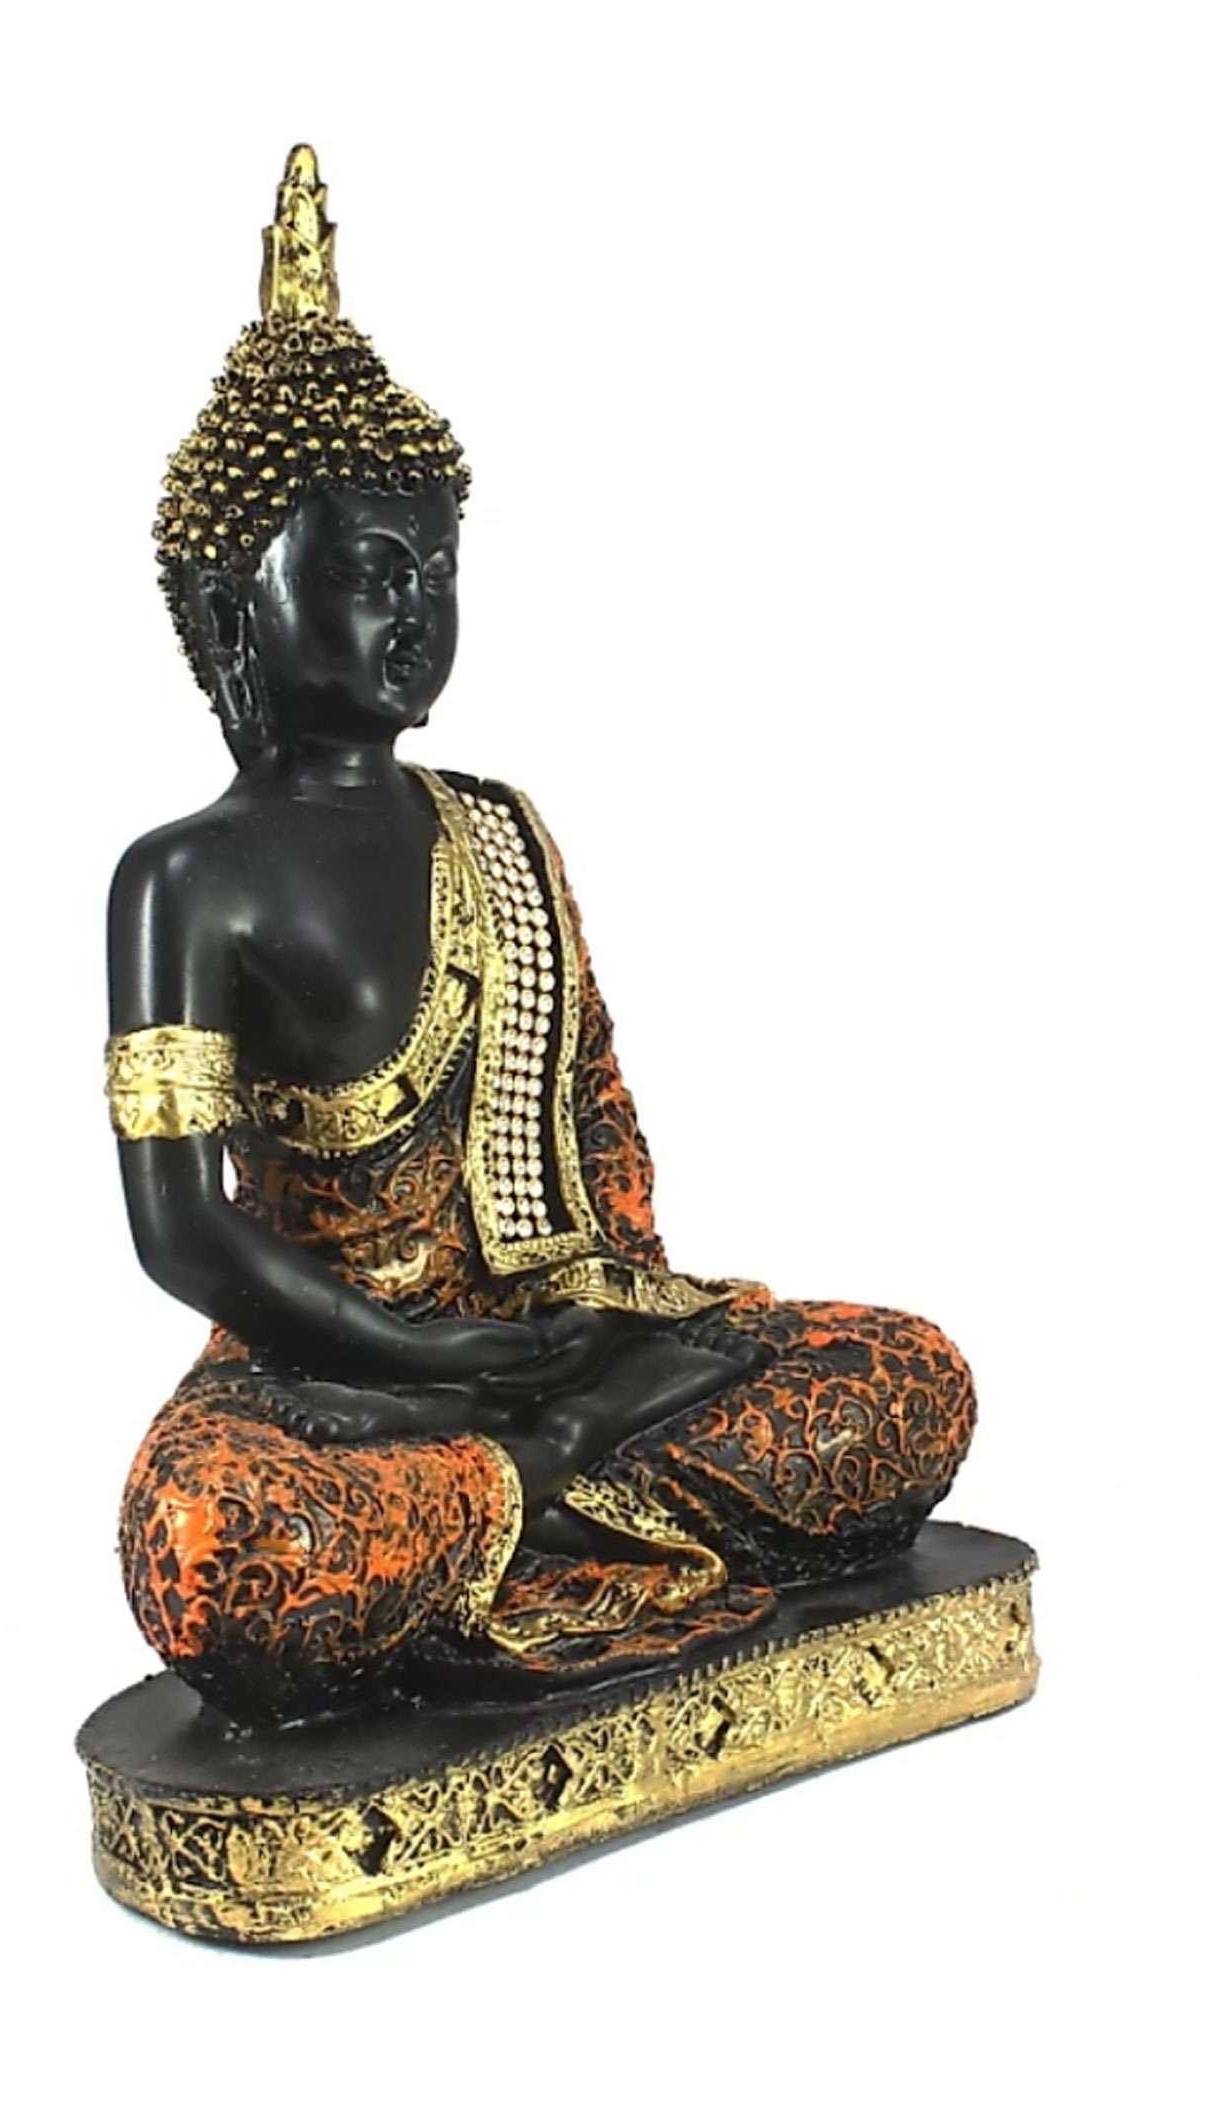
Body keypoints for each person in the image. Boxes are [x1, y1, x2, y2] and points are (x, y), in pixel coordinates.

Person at [107, 148, 975, 1723]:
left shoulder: (497, 829)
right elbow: (183, 1233)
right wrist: (412, 1359)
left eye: (436, 571)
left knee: (908, 1378)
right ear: (236, 608)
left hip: (558, 1344)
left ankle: (529, 1483)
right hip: (329, 1380)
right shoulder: (184, 878)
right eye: (372, 573)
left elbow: (594, 1119)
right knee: (219, 1548)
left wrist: (596, 1323)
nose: (414, 610)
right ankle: (545, 1485)